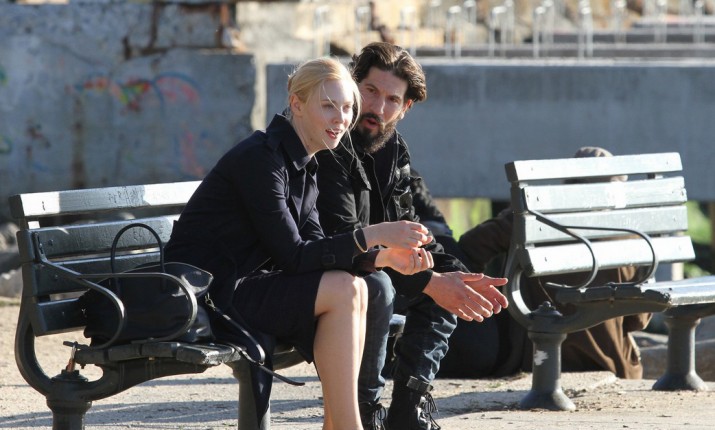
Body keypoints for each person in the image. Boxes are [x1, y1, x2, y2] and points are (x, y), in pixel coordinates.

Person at [165, 57, 435, 430]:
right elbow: (293, 255)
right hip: (210, 295)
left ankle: (340, 424)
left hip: (245, 287)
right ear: (297, 104)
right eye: (328, 106)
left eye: (347, 108)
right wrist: (374, 235)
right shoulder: (262, 159)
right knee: (345, 290)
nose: (341, 119)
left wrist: (384, 259)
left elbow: (317, 247)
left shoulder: (305, 163)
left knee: (356, 286)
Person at [315, 42, 509, 430]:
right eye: (370, 91)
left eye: (392, 100)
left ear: (405, 108)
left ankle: (409, 408)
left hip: (369, 264)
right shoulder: (330, 142)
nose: (377, 108)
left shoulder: (393, 150)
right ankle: (365, 410)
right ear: (352, 86)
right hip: (319, 271)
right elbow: (342, 239)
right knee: (382, 287)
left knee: (446, 278)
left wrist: (454, 273)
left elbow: (411, 230)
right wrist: (430, 281)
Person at [455, 146, 652, 379]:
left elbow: (469, 247)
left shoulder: (528, 217)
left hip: (536, 356)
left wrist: (487, 296)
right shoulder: (630, 233)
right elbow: (638, 320)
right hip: (612, 363)